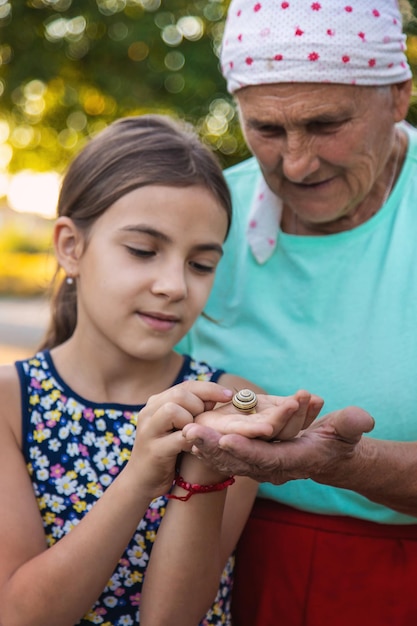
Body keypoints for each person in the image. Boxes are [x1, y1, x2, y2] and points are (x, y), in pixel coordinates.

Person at [0, 113, 323, 626]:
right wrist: (140, 478)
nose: (174, 285)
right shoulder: (10, 404)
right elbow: (20, 616)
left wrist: (209, 463)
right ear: (70, 246)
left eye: (201, 264)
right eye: (143, 250)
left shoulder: (231, 405)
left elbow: (171, 618)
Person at [173, 1, 417, 624]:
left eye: (326, 123)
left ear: (399, 96)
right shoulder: (204, 216)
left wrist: (348, 465)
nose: (296, 163)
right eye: (267, 130)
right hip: (217, 563)